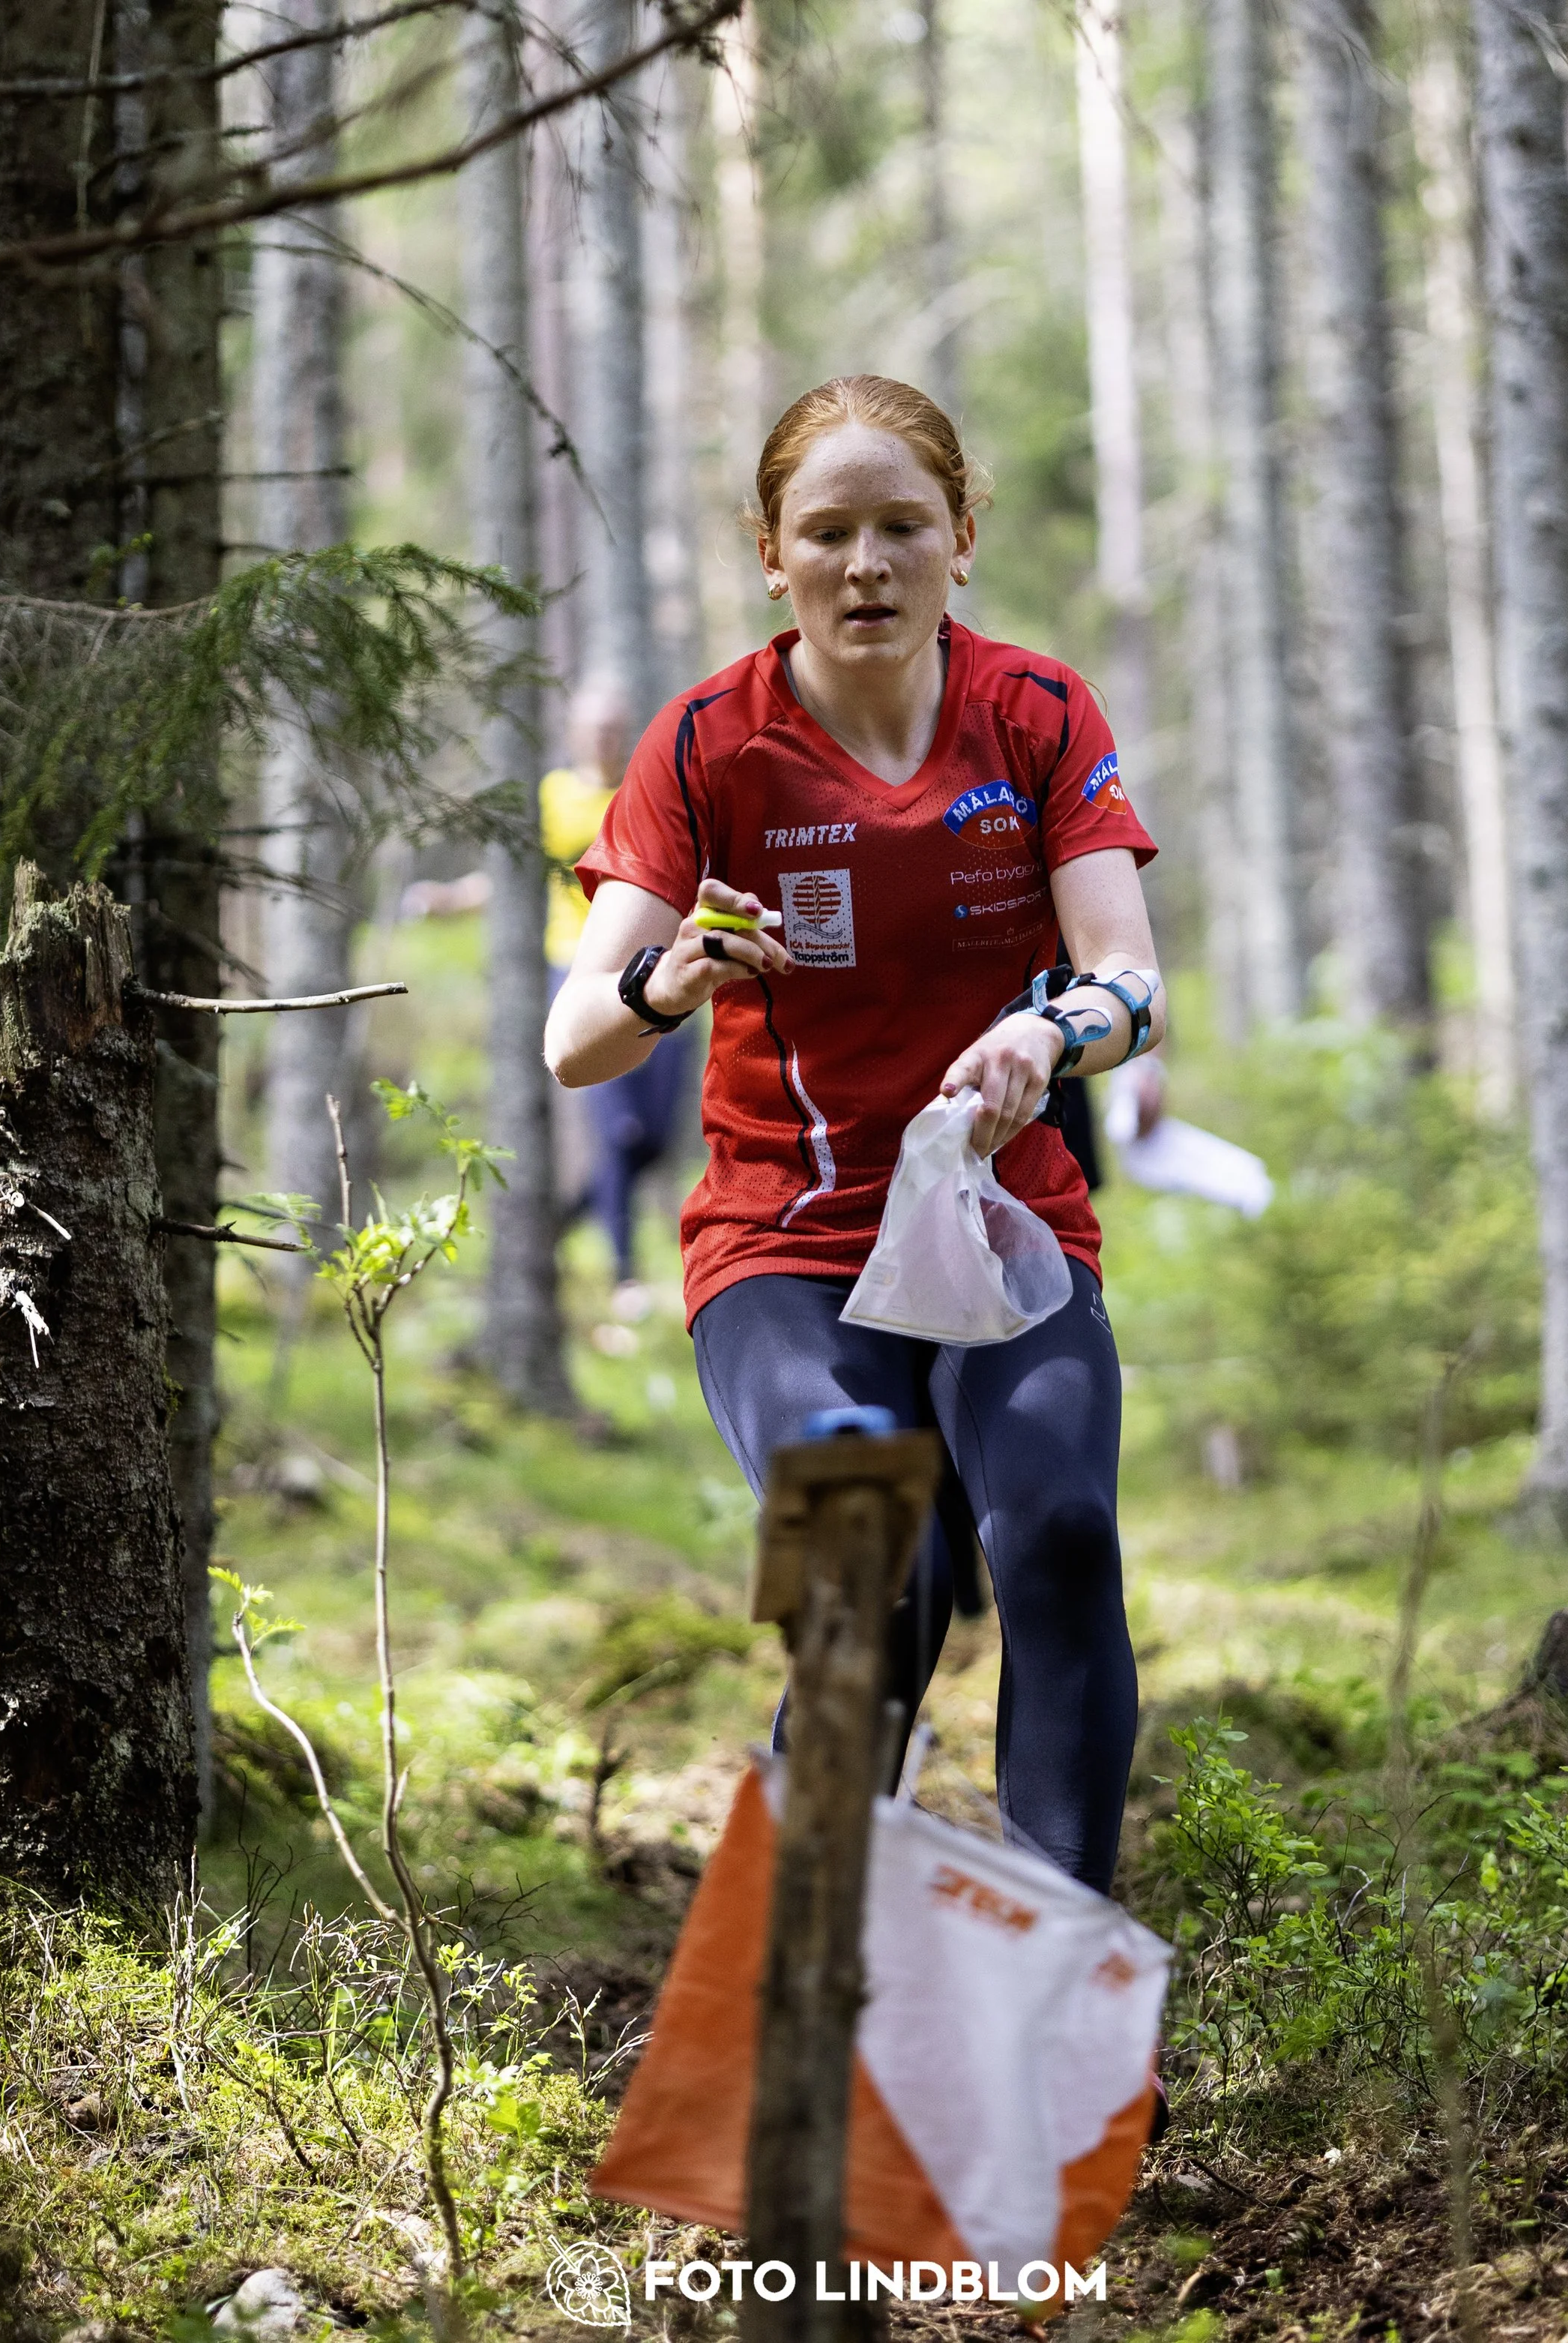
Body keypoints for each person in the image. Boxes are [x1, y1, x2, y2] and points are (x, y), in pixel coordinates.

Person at [543, 375, 1166, 1895]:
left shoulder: (1032, 713)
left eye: (902, 526)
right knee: (858, 1547)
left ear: (961, 536)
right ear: (772, 553)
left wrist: (1048, 1028)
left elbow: (1129, 974)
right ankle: (802, 1959)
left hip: (996, 1224)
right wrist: (668, 972)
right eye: (827, 532)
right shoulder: (705, 744)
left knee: (1062, 1533)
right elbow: (573, 1042)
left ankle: (1054, 1959)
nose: (865, 563)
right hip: (785, 1246)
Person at [543, 682, 695, 1293]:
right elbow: (513, 867)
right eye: (594, 728)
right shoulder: (552, 795)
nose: (605, 739)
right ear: (576, 732)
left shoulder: (647, 794)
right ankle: (624, 1274)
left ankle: (566, 1217)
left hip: (660, 973)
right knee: (618, 1134)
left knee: (654, 1138)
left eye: (614, 728)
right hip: (576, 970)